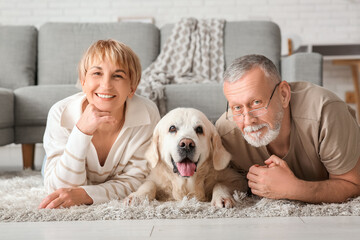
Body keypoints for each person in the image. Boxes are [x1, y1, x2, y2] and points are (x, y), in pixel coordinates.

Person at [216, 54, 360, 203]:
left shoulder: (325, 112)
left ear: (283, 94)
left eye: (257, 102)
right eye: (237, 107)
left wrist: (294, 189)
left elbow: (353, 185)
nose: (248, 120)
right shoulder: (226, 133)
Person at [38, 39, 160, 209]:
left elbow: (137, 181)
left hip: (108, 171)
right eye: (97, 73)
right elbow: (61, 190)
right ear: (83, 81)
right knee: (50, 172)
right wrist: (81, 132)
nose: (106, 85)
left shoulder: (148, 114)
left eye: (118, 76)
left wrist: (87, 195)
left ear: (132, 87)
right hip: (63, 155)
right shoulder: (60, 113)